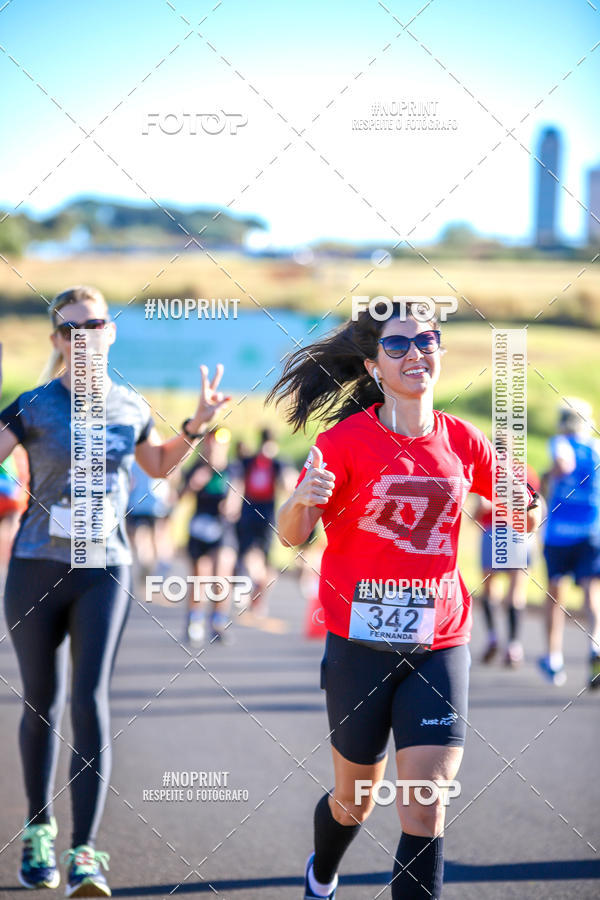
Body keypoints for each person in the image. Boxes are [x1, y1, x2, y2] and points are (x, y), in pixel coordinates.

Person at [269, 300, 540, 900]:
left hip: (439, 642)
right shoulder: (342, 444)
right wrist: (302, 499)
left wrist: (527, 503)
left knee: (424, 809)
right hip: (359, 643)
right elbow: (292, 534)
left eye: (427, 341)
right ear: (373, 367)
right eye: (398, 346)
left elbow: (520, 496)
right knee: (354, 801)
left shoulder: (464, 441)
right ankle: (324, 874)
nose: (416, 353)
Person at [0, 286, 230, 896]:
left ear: (110, 332)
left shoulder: (130, 405)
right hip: (34, 567)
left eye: (93, 324)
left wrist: (197, 426)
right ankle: (40, 831)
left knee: (90, 701)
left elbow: (156, 465)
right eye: (70, 328)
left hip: (104, 569)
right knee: (41, 703)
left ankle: (84, 852)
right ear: (57, 340)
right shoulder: (32, 405)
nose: (83, 336)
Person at [538, 398, 600, 688]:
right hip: (592, 529)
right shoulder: (596, 446)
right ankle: (595, 645)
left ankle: (554, 657)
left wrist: (549, 477)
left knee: (555, 593)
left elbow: (563, 464)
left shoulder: (561, 442)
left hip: (561, 531)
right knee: (592, 591)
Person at [179, 426, 243, 645]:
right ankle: (194, 621)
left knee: (221, 574)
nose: (216, 445)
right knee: (200, 577)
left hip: (222, 528)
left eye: (221, 441)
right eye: (213, 440)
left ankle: (218, 622)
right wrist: (193, 483)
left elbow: (237, 493)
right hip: (200, 527)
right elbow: (180, 495)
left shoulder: (232, 468)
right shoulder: (198, 467)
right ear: (206, 443)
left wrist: (232, 505)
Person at [476, 465, 540, 667]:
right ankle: (513, 646)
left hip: (493, 531)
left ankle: (492, 637)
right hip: (520, 533)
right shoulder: (527, 472)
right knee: (516, 591)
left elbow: (482, 507)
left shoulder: (486, 470)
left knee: (490, 587)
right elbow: (536, 505)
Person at [235, 428, 290, 616]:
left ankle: (255, 590)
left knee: (253, 555)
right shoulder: (273, 462)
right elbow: (287, 485)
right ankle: (256, 592)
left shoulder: (262, 462)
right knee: (257, 556)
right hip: (260, 513)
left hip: (255, 512)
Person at [125, 459, 175, 582]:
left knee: (158, 536)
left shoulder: (156, 447)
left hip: (156, 504)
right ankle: (146, 565)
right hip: (137, 504)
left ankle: (162, 566)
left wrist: (170, 492)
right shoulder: (131, 457)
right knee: (139, 537)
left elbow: (172, 473)